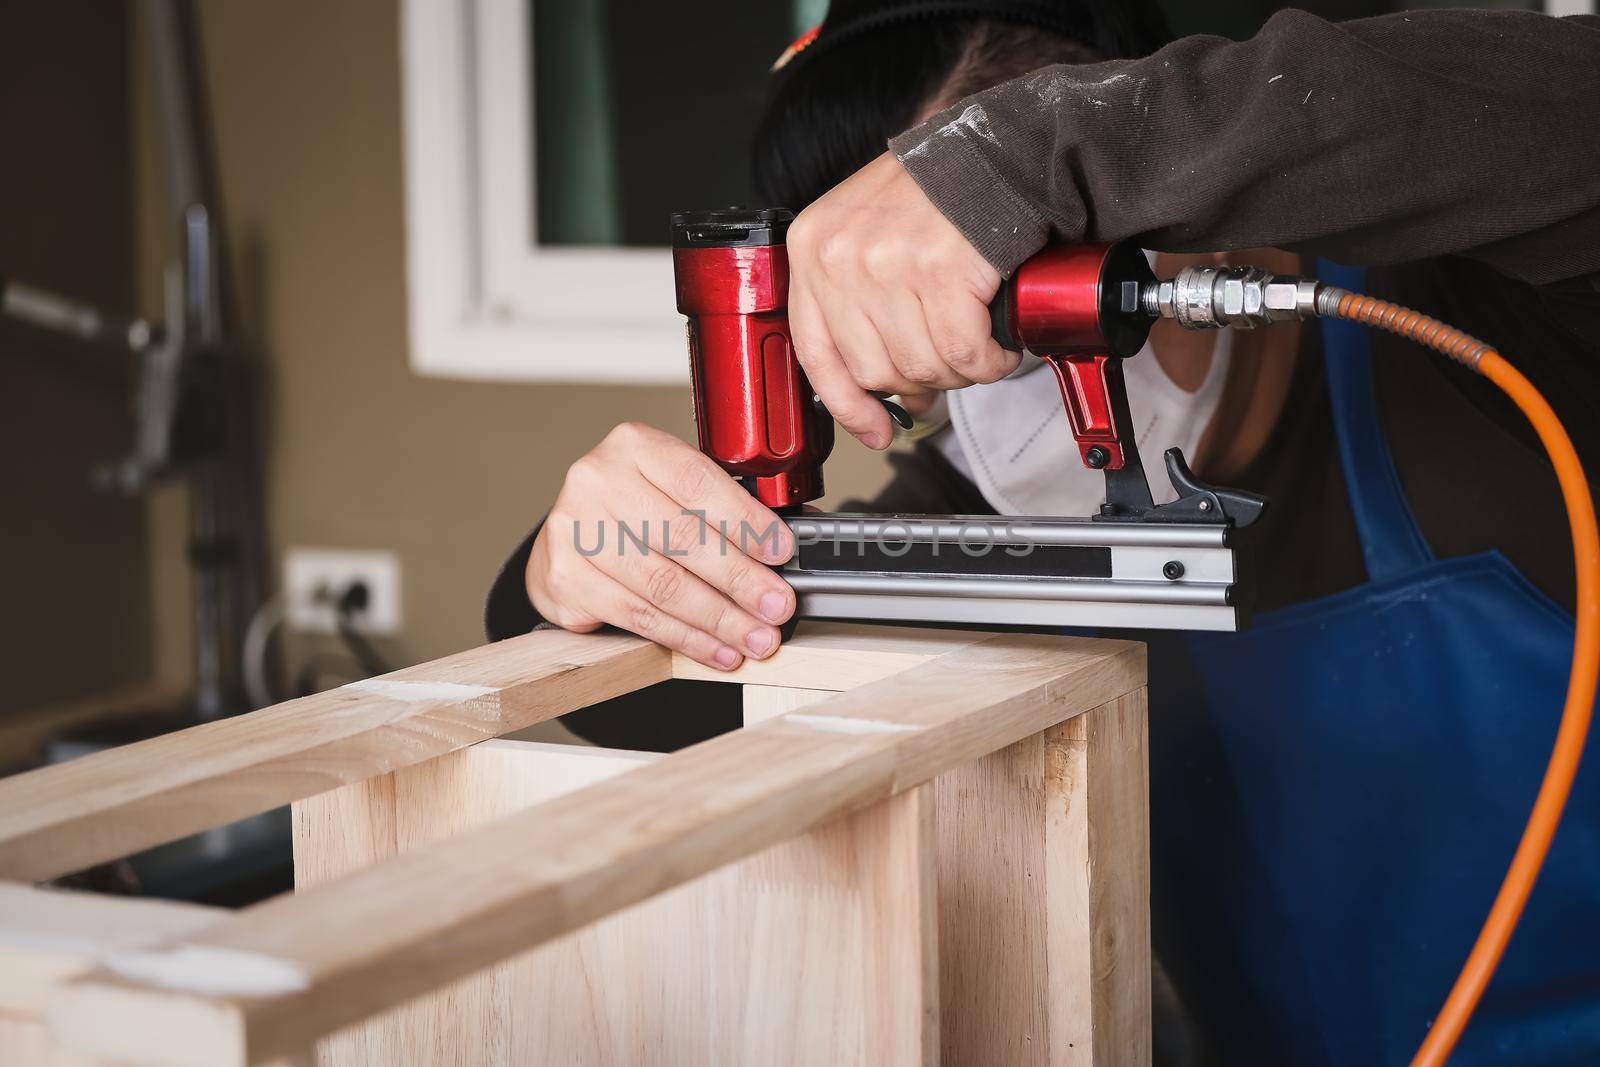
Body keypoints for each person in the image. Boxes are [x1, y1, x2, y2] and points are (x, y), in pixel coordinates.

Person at [486, 3, 1600, 1063]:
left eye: (1011, 312)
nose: (998, 406)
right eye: (935, 364)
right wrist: (567, 575)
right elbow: (672, 701)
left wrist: (1031, 151)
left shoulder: (1477, 326)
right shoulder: (979, 509)